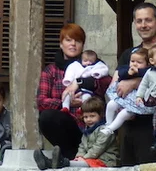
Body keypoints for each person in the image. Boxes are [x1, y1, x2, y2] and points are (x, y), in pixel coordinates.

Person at [36, 23, 109, 160]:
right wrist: (66, 102)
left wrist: (80, 82)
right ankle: (67, 157)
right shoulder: (51, 71)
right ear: (61, 44)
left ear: (83, 45)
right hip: (66, 124)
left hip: (90, 125)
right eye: (68, 40)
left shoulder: (93, 65)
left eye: (78, 41)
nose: (73, 44)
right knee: (47, 117)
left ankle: (63, 160)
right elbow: (41, 101)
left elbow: (105, 83)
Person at [113, 3, 156, 164]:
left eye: (148, 20)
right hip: (129, 125)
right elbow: (114, 84)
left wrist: (135, 82)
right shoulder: (129, 54)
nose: (143, 25)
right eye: (139, 21)